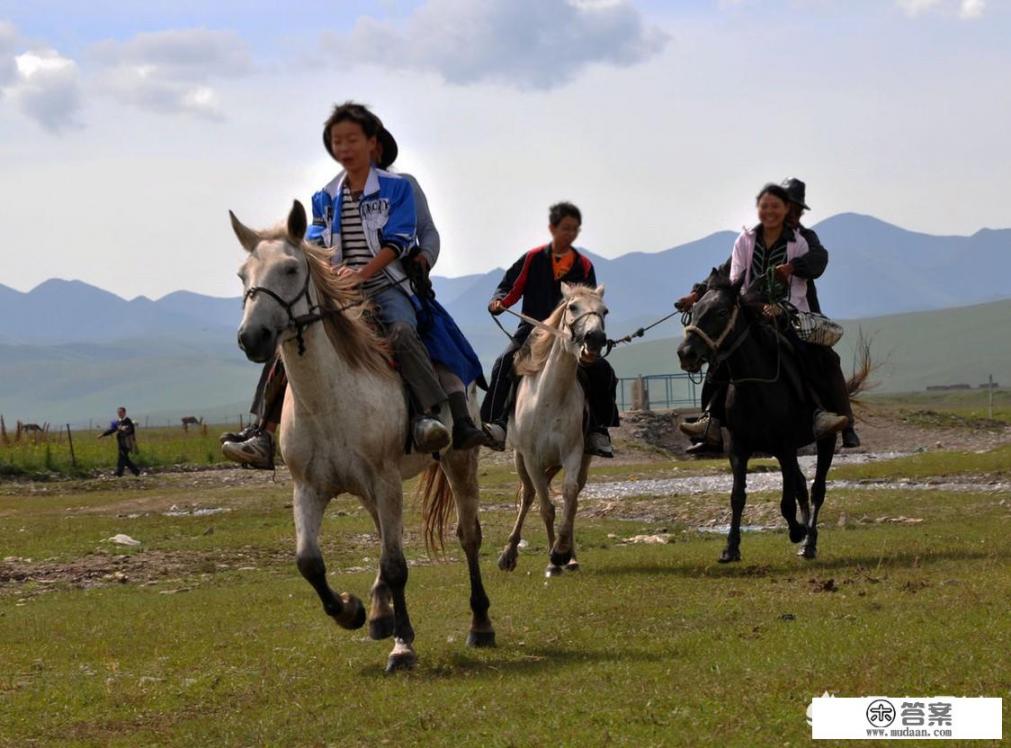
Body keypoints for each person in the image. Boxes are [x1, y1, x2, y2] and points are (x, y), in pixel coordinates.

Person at [222, 102, 485, 468]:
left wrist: (396, 264)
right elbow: (315, 244)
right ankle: (262, 432)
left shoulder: (400, 188)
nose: (347, 149)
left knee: (403, 332)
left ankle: (426, 416)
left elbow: (408, 236)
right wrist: (330, 274)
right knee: (294, 337)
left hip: (389, 282)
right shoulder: (325, 196)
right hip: (342, 289)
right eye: (338, 142)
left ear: (373, 145)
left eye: (355, 141)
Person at [677, 183, 848, 452]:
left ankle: (827, 417)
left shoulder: (804, 239)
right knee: (721, 355)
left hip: (793, 315)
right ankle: (710, 420)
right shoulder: (750, 240)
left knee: (821, 357)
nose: (791, 213)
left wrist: (792, 267)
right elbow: (726, 273)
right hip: (751, 314)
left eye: (793, 208)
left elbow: (819, 261)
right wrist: (696, 294)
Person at [481, 201, 619, 458]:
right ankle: (496, 424)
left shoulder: (585, 265)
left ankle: (598, 431)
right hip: (532, 328)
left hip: (571, 334)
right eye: (565, 228)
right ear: (553, 228)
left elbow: (590, 303)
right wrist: (499, 302)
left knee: (602, 370)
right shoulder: (533, 258)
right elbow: (510, 286)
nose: (570, 234)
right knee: (503, 362)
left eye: (574, 229)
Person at [98, 406, 140, 477]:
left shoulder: (128, 421)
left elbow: (129, 430)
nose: (119, 414)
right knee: (125, 459)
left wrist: (123, 428)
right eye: (118, 412)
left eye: (120, 412)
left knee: (122, 457)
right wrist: (103, 434)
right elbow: (113, 430)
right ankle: (136, 471)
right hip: (120, 443)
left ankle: (119, 473)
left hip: (127, 443)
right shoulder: (118, 421)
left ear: (124, 412)